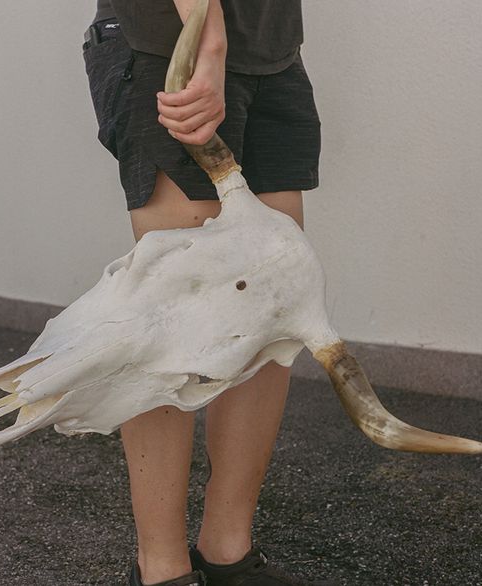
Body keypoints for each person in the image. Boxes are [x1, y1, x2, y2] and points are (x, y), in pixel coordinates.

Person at [82, 1, 328, 584]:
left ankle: (228, 551)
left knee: (271, 316)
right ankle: (162, 566)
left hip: (271, 51)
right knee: (177, 321)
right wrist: (207, 41)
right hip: (171, 44)